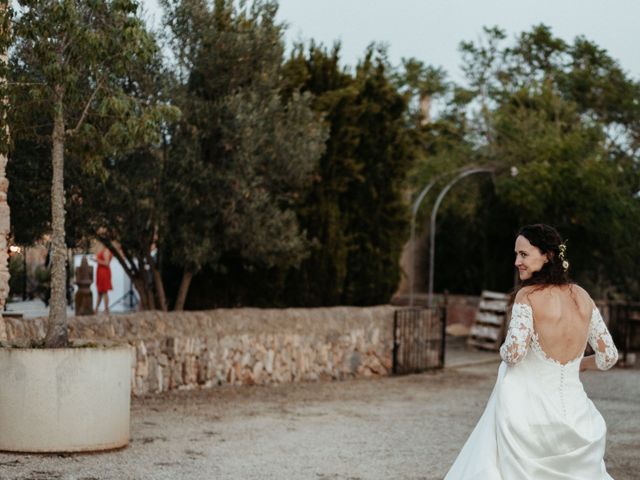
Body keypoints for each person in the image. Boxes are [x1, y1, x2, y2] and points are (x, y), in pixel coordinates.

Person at [444, 224, 618, 479]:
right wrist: (577, 364)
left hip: (529, 412)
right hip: (575, 412)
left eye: (524, 254)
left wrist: (505, 345)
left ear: (547, 255)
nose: (517, 261)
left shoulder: (527, 296)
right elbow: (608, 357)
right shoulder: (582, 296)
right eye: (516, 254)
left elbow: (514, 353)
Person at [94, 245, 113, 314]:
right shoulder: (103, 250)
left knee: (104, 291)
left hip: (104, 272)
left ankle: (106, 309)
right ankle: (96, 309)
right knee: (100, 291)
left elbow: (107, 263)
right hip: (100, 272)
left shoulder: (106, 251)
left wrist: (97, 260)